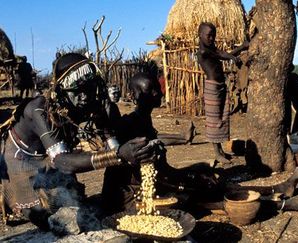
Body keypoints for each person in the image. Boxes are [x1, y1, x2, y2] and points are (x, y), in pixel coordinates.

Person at [0, 53, 159, 229]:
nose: (84, 96)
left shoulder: (93, 103)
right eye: (77, 90)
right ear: (62, 90)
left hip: (53, 157)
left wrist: (140, 152)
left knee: (77, 204)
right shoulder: (40, 109)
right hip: (22, 160)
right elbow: (61, 161)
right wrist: (119, 155)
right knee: (57, 219)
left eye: (89, 88)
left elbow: (114, 145)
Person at [102, 63, 212, 214]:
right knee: (188, 198)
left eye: (156, 88)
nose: (156, 93)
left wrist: (188, 173)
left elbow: (158, 158)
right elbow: (155, 173)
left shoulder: (144, 120)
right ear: (134, 96)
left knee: (201, 172)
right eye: (150, 89)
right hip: (129, 196)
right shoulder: (128, 125)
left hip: (148, 184)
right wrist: (184, 179)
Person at [197, 22, 248, 164]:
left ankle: (220, 151)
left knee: (221, 117)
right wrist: (233, 57)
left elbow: (223, 54)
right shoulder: (202, 51)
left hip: (219, 86)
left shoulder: (210, 49)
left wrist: (241, 48)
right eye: (208, 35)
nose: (211, 38)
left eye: (213, 35)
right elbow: (221, 55)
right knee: (214, 120)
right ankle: (217, 153)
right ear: (200, 35)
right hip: (212, 88)